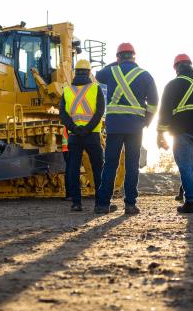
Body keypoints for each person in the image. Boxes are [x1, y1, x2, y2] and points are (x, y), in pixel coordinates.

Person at [95, 43, 158, 215]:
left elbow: (98, 75)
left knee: (110, 165)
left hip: (115, 127)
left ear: (118, 57)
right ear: (134, 56)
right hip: (135, 128)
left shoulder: (111, 71)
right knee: (132, 166)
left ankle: (102, 204)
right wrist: (147, 121)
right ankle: (130, 204)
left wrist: (114, 64)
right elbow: (153, 103)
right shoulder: (145, 75)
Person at [157, 54, 193, 214]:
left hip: (181, 131)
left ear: (176, 68)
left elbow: (164, 111)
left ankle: (191, 202)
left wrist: (160, 133)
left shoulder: (172, 85)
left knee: (186, 166)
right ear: (190, 65)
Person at [59, 59, 105, 212]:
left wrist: (74, 128)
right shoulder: (96, 89)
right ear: (89, 72)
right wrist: (88, 128)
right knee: (98, 168)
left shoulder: (67, 91)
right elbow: (99, 112)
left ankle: (76, 203)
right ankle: (100, 202)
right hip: (92, 135)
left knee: (73, 168)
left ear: (75, 72)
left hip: (74, 136)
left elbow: (63, 115)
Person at [61, 126, 72, 201]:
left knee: (69, 171)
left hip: (66, 150)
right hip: (70, 150)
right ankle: (70, 194)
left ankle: (69, 194)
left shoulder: (67, 124)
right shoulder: (71, 125)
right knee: (71, 172)